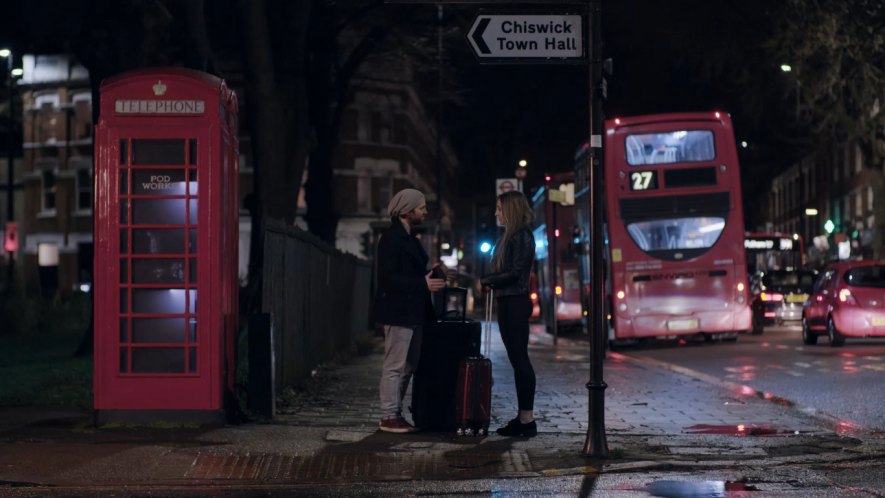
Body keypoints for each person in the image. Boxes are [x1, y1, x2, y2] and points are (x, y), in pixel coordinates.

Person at [373, 188, 446, 433]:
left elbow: (408, 275)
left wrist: (429, 276)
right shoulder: (391, 239)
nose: (424, 211)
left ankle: (395, 412)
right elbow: (387, 279)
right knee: (395, 365)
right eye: (421, 207)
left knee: (408, 365)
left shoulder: (407, 239)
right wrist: (422, 283)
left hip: (413, 311)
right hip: (399, 311)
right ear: (407, 211)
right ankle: (388, 415)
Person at [480, 190, 538, 437]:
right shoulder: (509, 237)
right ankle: (523, 418)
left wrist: (488, 279)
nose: (496, 213)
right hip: (507, 301)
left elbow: (516, 272)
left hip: (515, 301)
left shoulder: (522, 236)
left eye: (499, 209)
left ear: (511, 210)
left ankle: (527, 420)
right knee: (517, 359)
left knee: (520, 359)